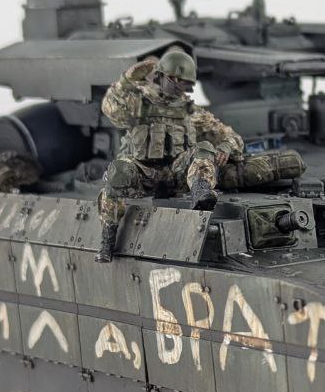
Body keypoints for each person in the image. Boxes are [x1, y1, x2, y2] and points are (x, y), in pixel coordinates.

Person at [96, 50, 244, 262]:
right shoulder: (139, 105)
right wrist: (125, 82)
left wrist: (227, 147)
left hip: (178, 175)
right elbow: (110, 108)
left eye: (183, 82)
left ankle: (200, 192)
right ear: (160, 76)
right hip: (143, 175)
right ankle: (108, 239)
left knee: (204, 147)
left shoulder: (192, 112)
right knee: (117, 172)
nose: (178, 85)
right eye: (173, 79)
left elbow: (232, 137)